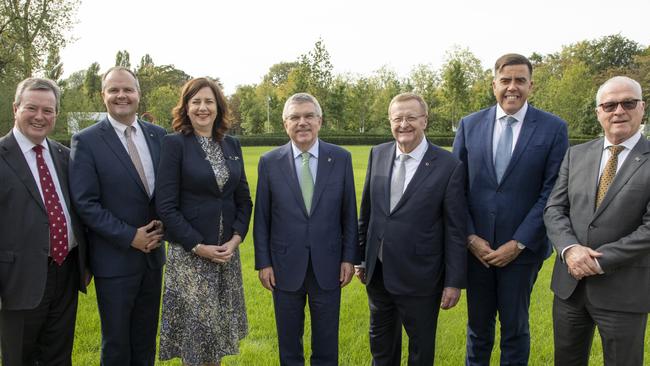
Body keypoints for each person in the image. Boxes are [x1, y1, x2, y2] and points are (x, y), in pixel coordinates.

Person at [452, 53, 568, 365]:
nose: (512, 87)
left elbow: (552, 192)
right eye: (506, 80)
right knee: (478, 329)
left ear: (531, 85)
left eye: (520, 80)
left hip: (521, 252)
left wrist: (517, 244)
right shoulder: (469, 125)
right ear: (494, 85)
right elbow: (455, 189)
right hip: (476, 250)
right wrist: (471, 238)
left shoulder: (553, 129)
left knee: (515, 330)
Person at [544, 76, 650, 366]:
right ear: (598, 112)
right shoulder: (576, 154)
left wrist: (597, 261)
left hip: (624, 291)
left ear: (642, 108)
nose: (619, 111)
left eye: (628, 103)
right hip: (570, 288)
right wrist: (570, 250)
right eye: (610, 104)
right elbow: (554, 208)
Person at [357, 92, 467, 365]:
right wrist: (360, 257)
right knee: (381, 348)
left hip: (422, 276)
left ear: (424, 121)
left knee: (420, 350)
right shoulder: (379, 154)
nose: (403, 124)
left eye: (410, 118)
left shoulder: (448, 165)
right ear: (390, 121)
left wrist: (453, 282)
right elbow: (367, 212)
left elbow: (455, 229)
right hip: (378, 273)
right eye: (397, 118)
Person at [69, 66, 166, 366]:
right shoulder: (86, 141)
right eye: (114, 90)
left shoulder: (158, 135)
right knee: (117, 345)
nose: (121, 95)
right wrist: (130, 236)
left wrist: (166, 221)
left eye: (128, 89)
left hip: (152, 259)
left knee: (145, 340)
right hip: (115, 261)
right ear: (103, 96)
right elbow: (85, 203)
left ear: (139, 94)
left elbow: (165, 191)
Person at [253, 93, 358, 365]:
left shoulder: (341, 158)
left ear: (320, 121)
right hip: (284, 266)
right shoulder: (269, 162)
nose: (302, 122)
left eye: (309, 116)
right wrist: (264, 263)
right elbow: (262, 218)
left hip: (329, 265)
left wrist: (349, 258)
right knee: (289, 345)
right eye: (295, 117)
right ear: (285, 123)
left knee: (326, 344)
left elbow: (349, 214)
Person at [156, 77, 252, 365]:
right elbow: (166, 206)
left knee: (216, 340)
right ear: (186, 107)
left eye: (209, 101)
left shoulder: (231, 144)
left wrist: (235, 240)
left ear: (218, 107)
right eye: (195, 101)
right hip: (191, 258)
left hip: (225, 257)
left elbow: (244, 200)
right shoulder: (174, 145)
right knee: (197, 343)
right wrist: (198, 246)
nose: (202, 107)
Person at [0, 77, 89, 365]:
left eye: (48, 110)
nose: (40, 116)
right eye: (32, 108)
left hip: (65, 273)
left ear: (56, 115)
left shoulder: (65, 157)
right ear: (16, 108)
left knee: (58, 357)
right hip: (18, 280)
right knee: (20, 358)